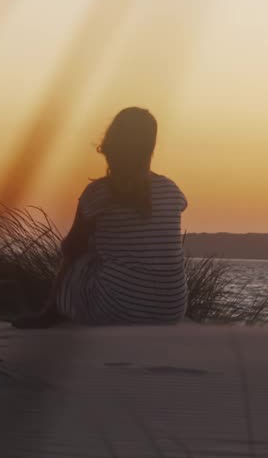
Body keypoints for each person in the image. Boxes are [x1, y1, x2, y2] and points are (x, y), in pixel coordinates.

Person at [15, 107, 189, 328]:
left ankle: (51, 312)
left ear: (111, 145)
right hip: (170, 310)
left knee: (80, 258)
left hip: (117, 308)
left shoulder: (97, 193)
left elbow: (70, 249)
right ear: (150, 148)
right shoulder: (172, 190)